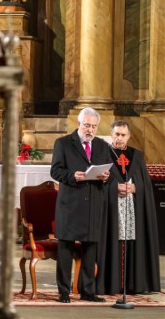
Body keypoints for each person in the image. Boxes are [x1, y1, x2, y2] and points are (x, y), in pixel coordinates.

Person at [50, 107, 111, 303]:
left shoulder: (102, 146)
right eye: (87, 125)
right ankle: (64, 292)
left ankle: (87, 291)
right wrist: (72, 175)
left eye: (94, 126)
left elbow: (109, 173)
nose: (90, 130)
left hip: (94, 204)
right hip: (71, 204)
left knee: (90, 248)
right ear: (78, 123)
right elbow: (55, 171)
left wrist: (106, 177)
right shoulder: (64, 143)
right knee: (65, 249)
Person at [96, 120, 160, 295]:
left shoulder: (137, 156)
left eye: (123, 135)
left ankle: (133, 283)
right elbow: (95, 181)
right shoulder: (103, 153)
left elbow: (145, 184)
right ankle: (110, 284)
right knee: (112, 241)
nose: (119, 138)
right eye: (116, 134)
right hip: (110, 207)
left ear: (129, 136)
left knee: (132, 241)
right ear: (111, 135)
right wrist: (113, 187)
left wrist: (135, 187)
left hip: (132, 205)